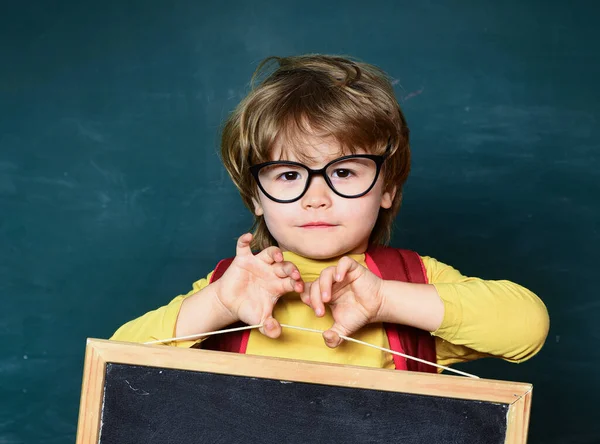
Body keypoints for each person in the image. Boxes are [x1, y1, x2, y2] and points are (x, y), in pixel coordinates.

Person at [111, 54, 549, 373]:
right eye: (286, 175)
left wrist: (386, 300)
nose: (315, 197)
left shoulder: (411, 281)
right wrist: (219, 304)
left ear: (387, 188)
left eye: (342, 171)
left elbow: (527, 327)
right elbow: (115, 365)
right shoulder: (232, 288)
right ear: (256, 198)